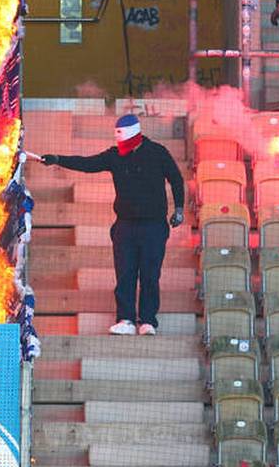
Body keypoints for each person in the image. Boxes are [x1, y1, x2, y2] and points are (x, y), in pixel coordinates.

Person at [39, 115, 185, 336]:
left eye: (121, 133)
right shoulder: (115, 155)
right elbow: (87, 163)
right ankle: (125, 319)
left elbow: (176, 178)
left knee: (150, 274)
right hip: (125, 226)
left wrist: (180, 209)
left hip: (153, 226)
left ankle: (147, 321)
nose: (118, 139)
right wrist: (58, 159)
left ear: (134, 132)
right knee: (125, 274)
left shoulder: (157, 152)